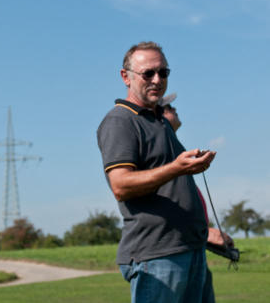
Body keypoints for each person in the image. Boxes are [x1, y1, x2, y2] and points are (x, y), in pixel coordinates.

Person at [97, 41, 217, 303]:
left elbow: (175, 190)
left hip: (190, 249)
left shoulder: (159, 122)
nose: (157, 79)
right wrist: (176, 167)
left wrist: (207, 233)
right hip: (157, 256)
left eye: (163, 73)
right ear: (125, 77)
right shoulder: (120, 121)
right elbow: (121, 185)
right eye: (148, 73)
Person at [160, 93, 234, 303]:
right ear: (159, 114)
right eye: (168, 107)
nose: (174, 110)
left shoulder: (173, 146)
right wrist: (205, 233)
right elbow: (163, 199)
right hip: (174, 256)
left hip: (191, 248)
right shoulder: (161, 149)